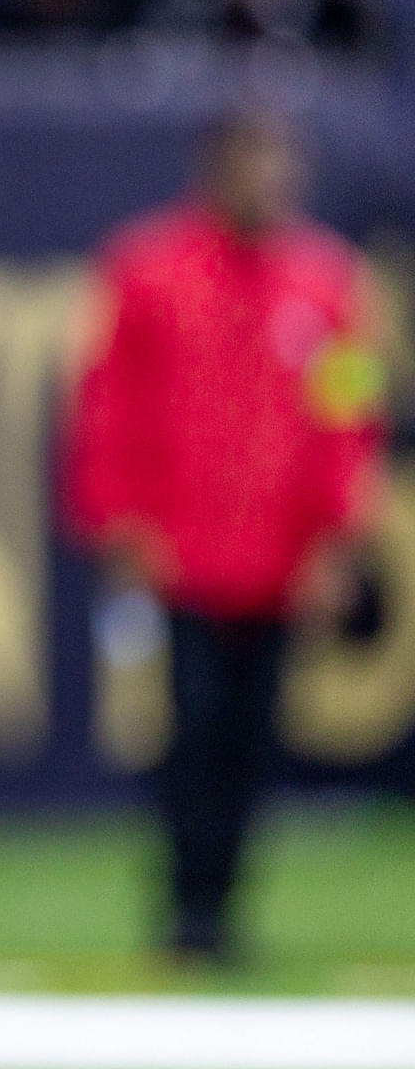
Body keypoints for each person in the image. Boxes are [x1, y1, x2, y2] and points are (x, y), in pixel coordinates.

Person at [61, 107, 386, 962]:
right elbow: (108, 407)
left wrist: (337, 540)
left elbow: (346, 420)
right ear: (214, 170)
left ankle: (226, 907)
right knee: (192, 728)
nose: (270, 180)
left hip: (280, 559)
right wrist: (123, 526)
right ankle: (185, 901)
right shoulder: (146, 273)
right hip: (184, 555)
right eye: (253, 161)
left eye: (280, 161)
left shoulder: (329, 284)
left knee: (253, 738)